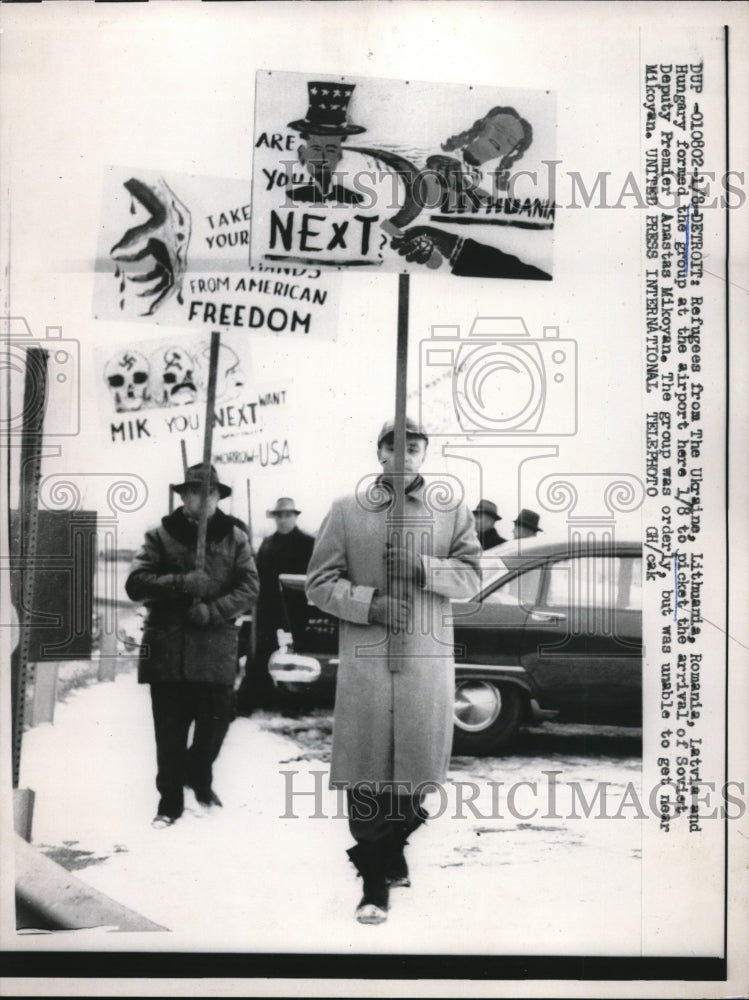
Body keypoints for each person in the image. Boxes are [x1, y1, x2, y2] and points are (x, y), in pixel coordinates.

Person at [305, 417, 481, 924]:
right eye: (392, 446)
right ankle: (374, 883)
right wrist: (370, 604)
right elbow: (319, 583)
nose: (403, 455)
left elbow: (471, 576)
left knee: (418, 770)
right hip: (369, 661)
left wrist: (423, 567)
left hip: (425, 660)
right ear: (379, 453)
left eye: (414, 446)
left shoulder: (451, 509)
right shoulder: (347, 510)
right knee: (365, 771)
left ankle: (390, 848)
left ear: (425, 453)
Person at [126, 463, 259, 828]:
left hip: (216, 647)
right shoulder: (160, 535)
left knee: (216, 724)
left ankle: (199, 776)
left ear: (219, 496)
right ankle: (169, 803)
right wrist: (184, 582)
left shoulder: (235, 537)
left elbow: (249, 587)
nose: (205, 498)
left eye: (212, 492)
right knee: (169, 730)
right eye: (197, 491)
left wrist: (214, 609)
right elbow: (136, 583)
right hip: (169, 648)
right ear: (183, 496)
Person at [235, 497, 315, 713]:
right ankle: (258, 694)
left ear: (295, 517)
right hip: (269, 608)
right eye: (279, 515)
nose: (283, 519)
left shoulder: (308, 543)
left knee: (298, 654)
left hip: (297, 610)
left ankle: (298, 698)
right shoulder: (268, 544)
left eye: (287, 515)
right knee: (262, 651)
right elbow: (257, 575)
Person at [286, 81, 367, 205]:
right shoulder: (293, 197)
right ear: (302, 154)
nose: (322, 159)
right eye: (316, 148)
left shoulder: (353, 199)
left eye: (331, 150)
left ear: (339, 156)